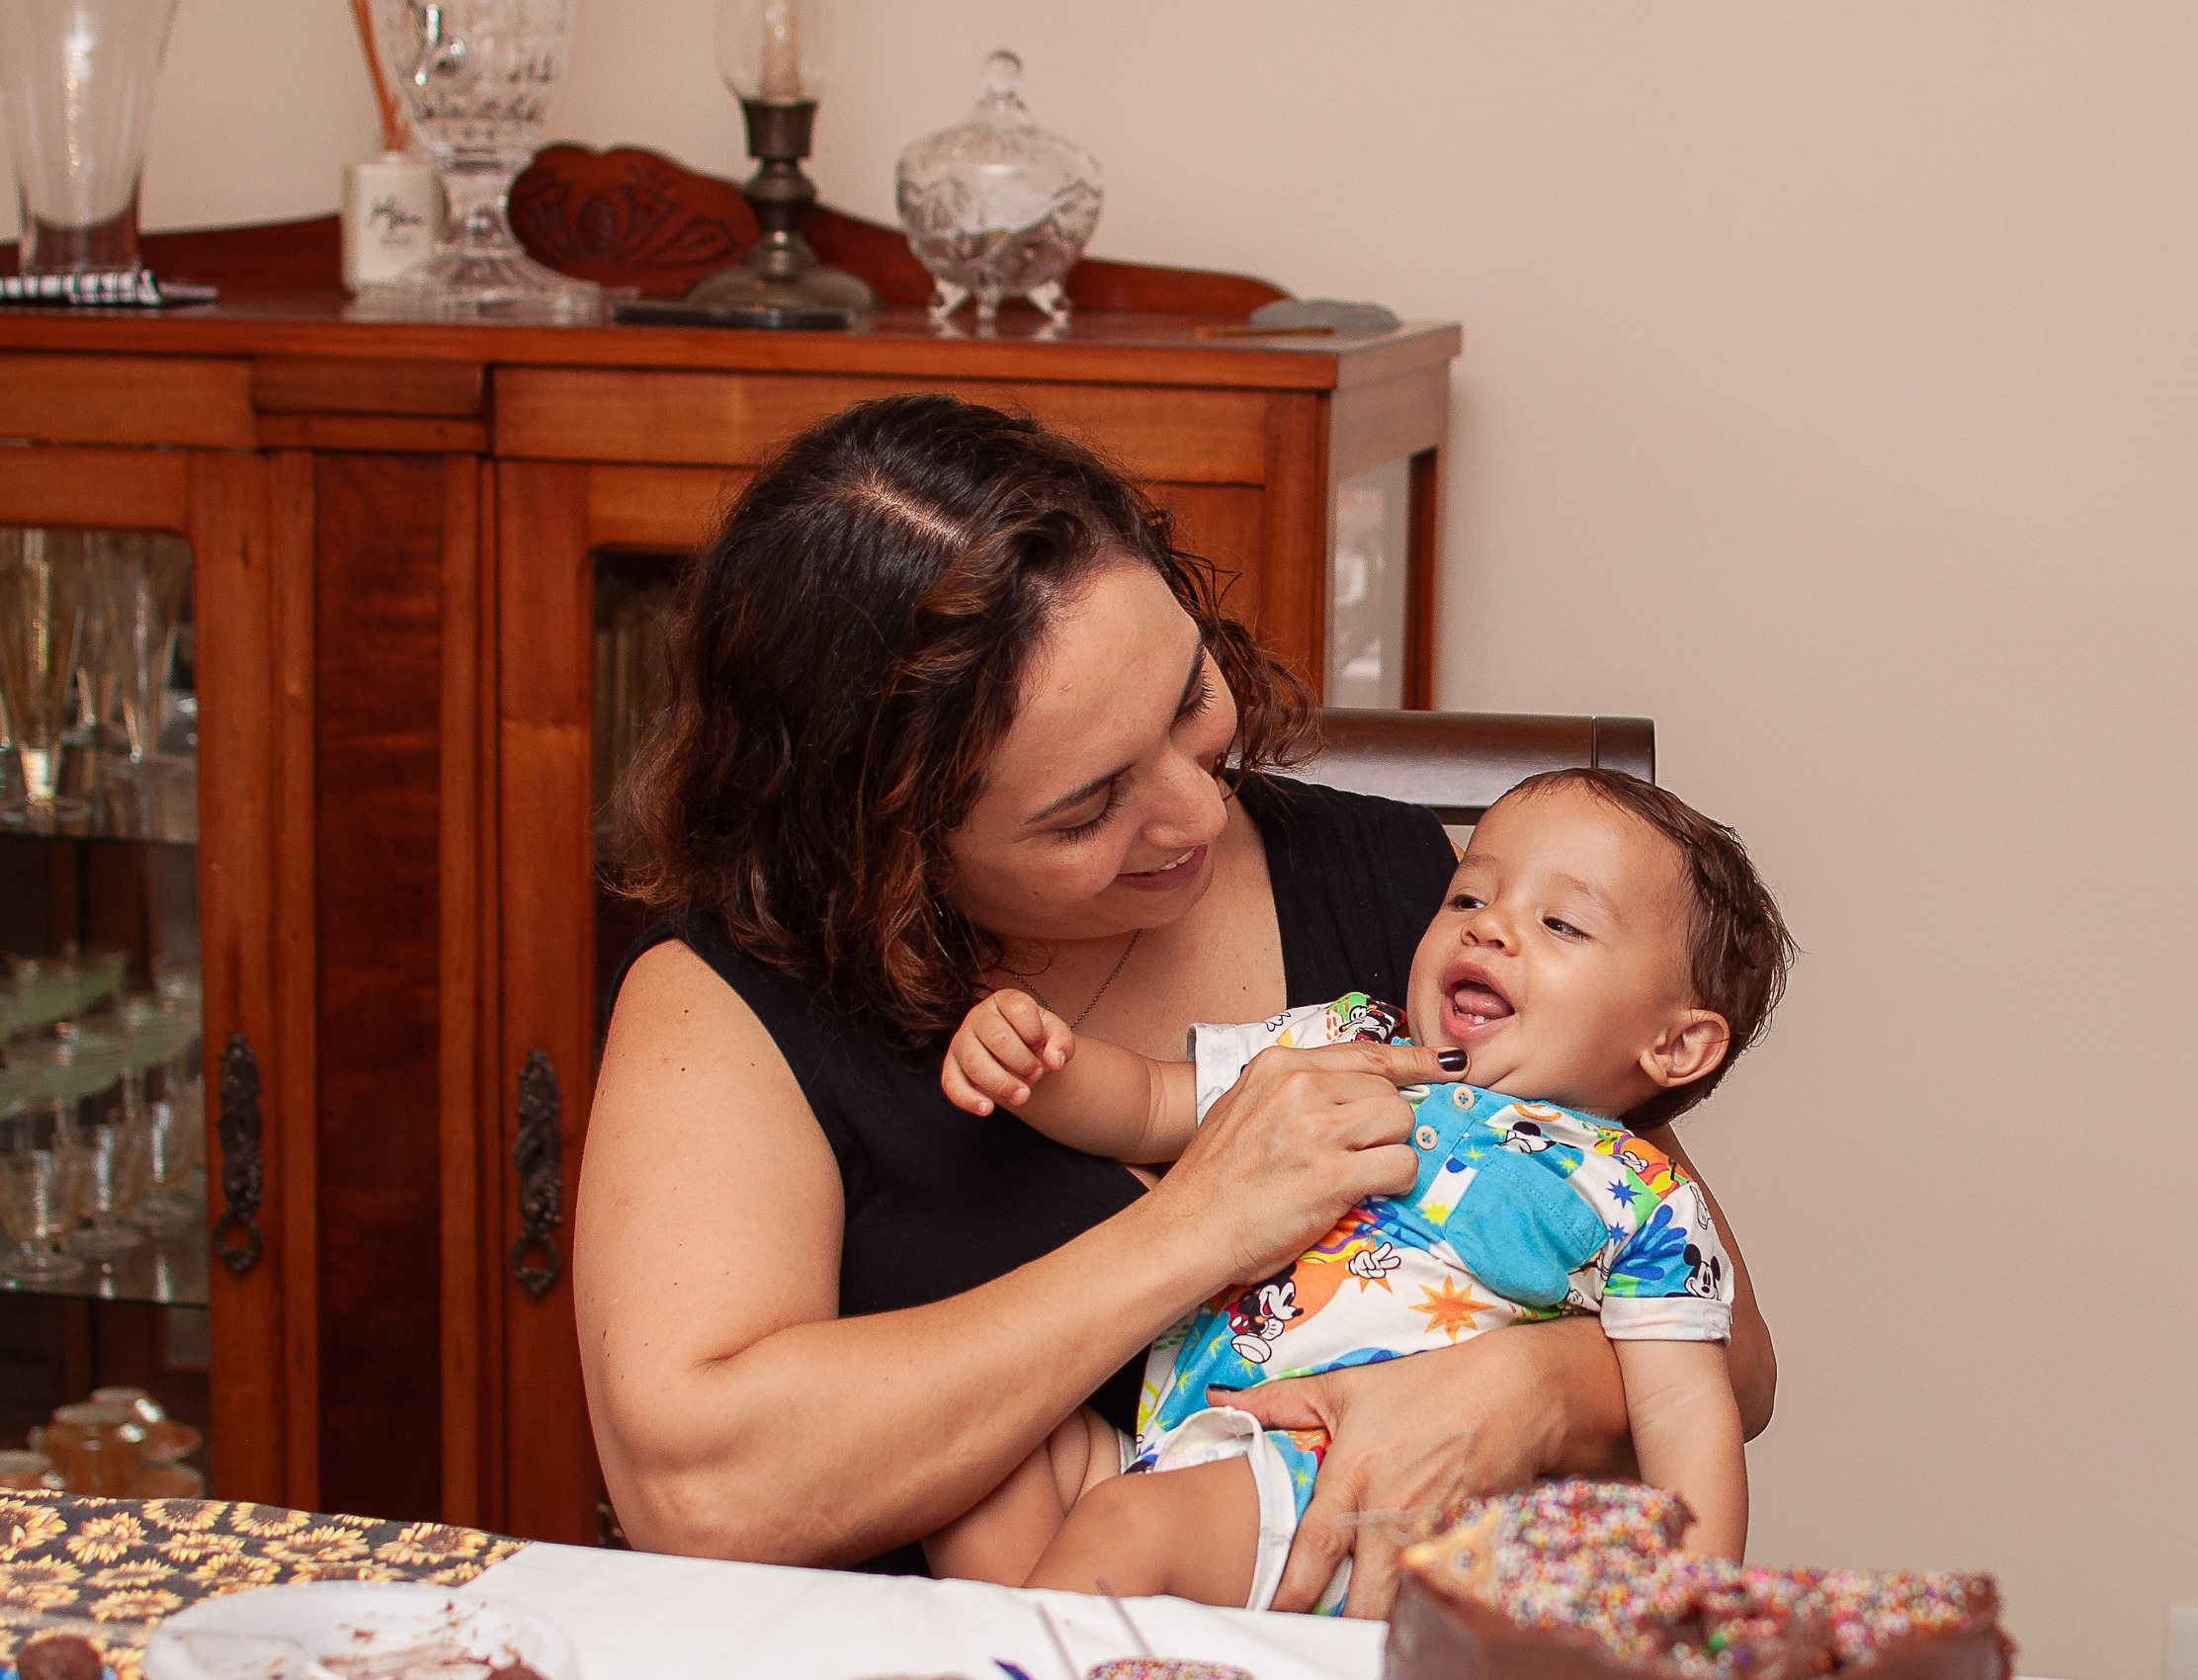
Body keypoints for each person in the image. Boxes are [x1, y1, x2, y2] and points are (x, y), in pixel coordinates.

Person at [573, 392, 1779, 1616]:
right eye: (1088, 808)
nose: (1203, 812)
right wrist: (1195, 1227)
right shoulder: (730, 999)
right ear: (887, 842)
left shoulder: (1421, 901)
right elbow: (701, 1492)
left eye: (1189, 700)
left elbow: (1727, 1351)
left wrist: (1523, 1390)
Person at [925, 768, 1789, 1610]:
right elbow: (1153, 1104)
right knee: (983, 1467)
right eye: (1468, 898)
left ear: (1675, 1047)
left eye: (1561, 923)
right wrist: (1039, 1069)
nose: (1490, 929)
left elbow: (1684, 1405)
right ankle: (1064, 1643)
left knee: (1129, 1528)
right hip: (1185, 1436)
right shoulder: (1350, 1039)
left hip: (1362, 1493)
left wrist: (1694, 1613)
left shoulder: (1644, 1197)